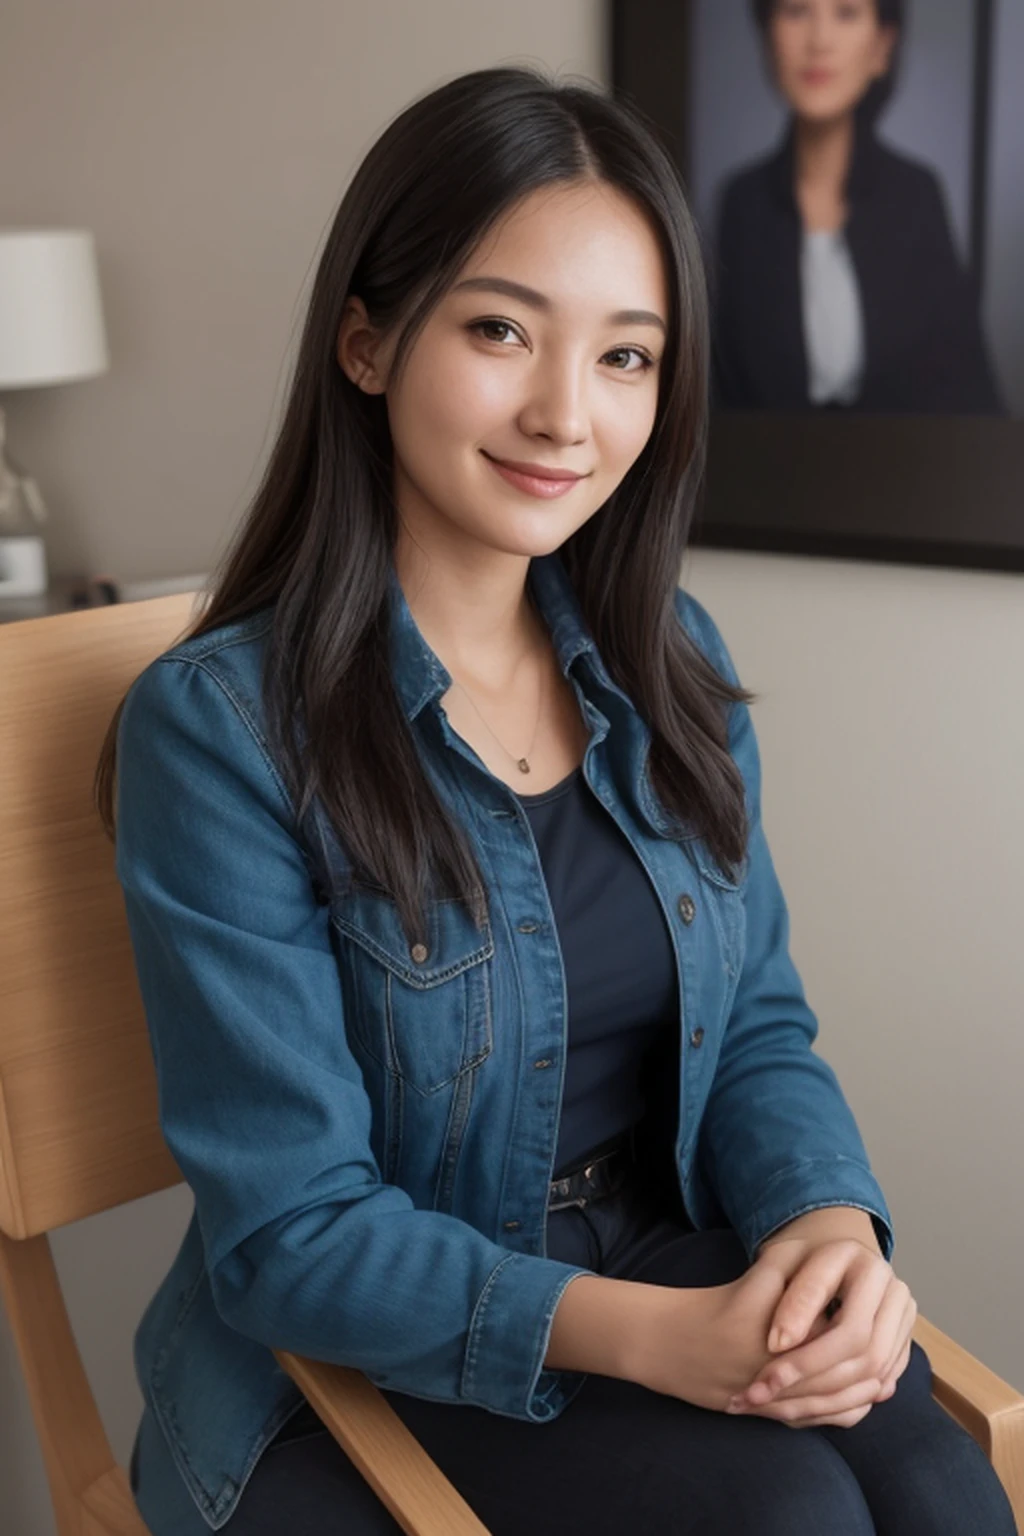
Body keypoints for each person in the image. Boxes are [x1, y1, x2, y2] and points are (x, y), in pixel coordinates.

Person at [97, 66, 1016, 1536]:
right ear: (368, 341)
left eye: (627, 358)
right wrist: (664, 1336)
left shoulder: (672, 663)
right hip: (343, 1361)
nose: (563, 414)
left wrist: (826, 1224)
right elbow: (291, 1237)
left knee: (942, 1491)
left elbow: (761, 1027)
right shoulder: (221, 734)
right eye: (500, 328)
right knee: (790, 1519)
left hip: (656, 1260)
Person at [712, 0, 1004, 414]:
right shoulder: (740, 205)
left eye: (846, 13)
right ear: (766, 34)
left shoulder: (917, 197)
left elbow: (968, 388)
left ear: (882, 46)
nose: (819, 40)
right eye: (796, 11)